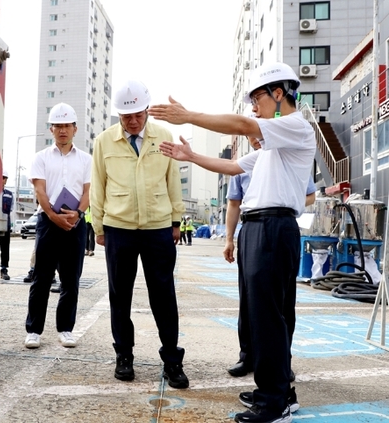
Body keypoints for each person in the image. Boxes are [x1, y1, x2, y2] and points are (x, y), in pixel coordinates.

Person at [150, 62, 315, 422]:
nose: (253, 107)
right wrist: (191, 157)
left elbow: (243, 125)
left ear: (278, 93)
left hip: (272, 227)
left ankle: (275, 402)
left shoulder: (295, 125)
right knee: (267, 315)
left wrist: (189, 116)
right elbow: (233, 167)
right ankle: (278, 388)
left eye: (257, 98)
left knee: (269, 316)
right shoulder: (274, 147)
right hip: (260, 229)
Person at [90, 79, 189, 389]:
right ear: (118, 115)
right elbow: (98, 185)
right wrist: (99, 226)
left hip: (158, 227)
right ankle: (124, 356)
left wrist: (176, 221)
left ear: (147, 110)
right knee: (120, 296)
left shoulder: (164, 136)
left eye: (137, 115)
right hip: (118, 228)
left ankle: (172, 360)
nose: (132, 122)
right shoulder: (104, 142)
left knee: (164, 296)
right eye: (125, 116)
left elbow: (173, 179)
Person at [225, 135, 317, 383]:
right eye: (251, 134)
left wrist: (288, 198)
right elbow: (234, 204)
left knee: (281, 300)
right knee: (248, 298)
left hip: (277, 226)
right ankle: (249, 356)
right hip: (250, 230)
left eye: (260, 132)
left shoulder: (285, 156)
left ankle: (281, 361)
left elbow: (310, 194)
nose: (256, 138)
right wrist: (229, 238)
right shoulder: (244, 164)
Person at [24, 103, 91, 349]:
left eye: (67, 126)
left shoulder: (86, 159)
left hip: (76, 222)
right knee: (41, 278)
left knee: (71, 279)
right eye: (58, 126)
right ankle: (34, 330)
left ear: (75, 129)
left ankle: (65, 329)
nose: (63, 130)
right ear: (51, 129)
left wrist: (78, 214)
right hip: (47, 222)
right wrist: (53, 216)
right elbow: (40, 190)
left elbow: (88, 192)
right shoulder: (40, 158)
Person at [0, 170, 13, 280]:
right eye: (0, 177)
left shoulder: (9, 194)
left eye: (4, 178)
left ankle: (4, 269)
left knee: (5, 249)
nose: (2, 180)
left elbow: (11, 209)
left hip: (5, 226)